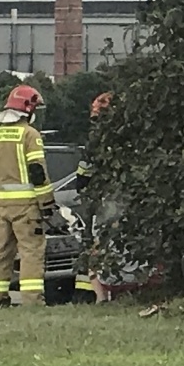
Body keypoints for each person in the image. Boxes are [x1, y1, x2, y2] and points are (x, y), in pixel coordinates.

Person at [0, 84, 54, 307]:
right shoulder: (30, 134)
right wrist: (47, 204)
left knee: (2, 253)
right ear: (28, 108)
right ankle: (32, 302)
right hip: (27, 208)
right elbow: (37, 172)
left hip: (3, 206)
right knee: (31, 252)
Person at [72, 92, 113, 304]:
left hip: (102, 200)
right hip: (114, 199)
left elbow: (84, 171)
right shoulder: (126, 137)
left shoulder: (96, 141)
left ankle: (99, 295)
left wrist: (82, 186)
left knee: (96, 244)